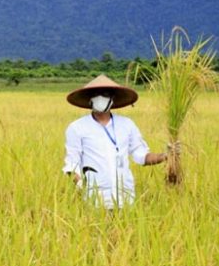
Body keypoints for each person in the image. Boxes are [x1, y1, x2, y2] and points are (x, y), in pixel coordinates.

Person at [63, 74, 179, 210]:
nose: (100, 97)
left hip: (125, 198)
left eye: (105, 94)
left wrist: (165, 156)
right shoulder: (77, 128)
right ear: (90, 99)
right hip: (95, 200)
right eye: (96, 94)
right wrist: (82, 187)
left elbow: (141, 155)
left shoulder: (126, 125)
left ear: (112, 98)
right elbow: (71, 165)